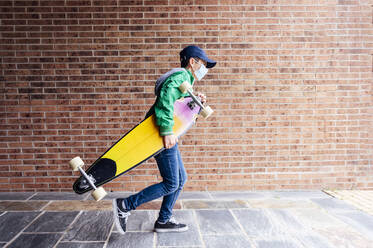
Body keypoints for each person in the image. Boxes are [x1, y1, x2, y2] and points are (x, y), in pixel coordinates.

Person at [112, 45, 216, 234]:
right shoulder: (181, 77)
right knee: (171, 182)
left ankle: (164, 220)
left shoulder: (187, 83)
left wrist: (194, 102)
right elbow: (165, 98)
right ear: (192, 62)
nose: (205, 69)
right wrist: (167, 130)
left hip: (167, 134)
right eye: (203, 64)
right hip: (161, 135)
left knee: (180, 179)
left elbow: (178, 109)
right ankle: (125, 205)